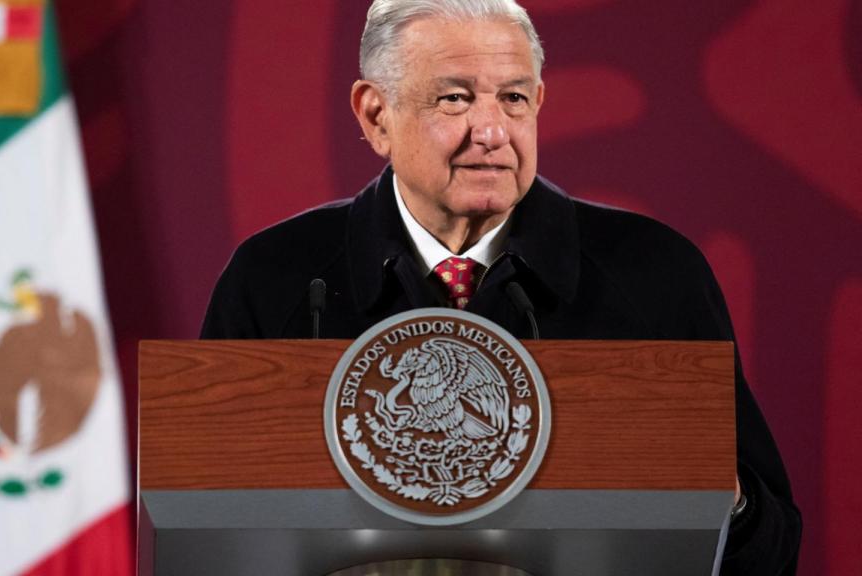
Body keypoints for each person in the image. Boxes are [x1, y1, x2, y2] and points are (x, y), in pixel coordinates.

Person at [202, 0, 801, 573]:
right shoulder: (276, 279)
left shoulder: (654, 275)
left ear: (537, 104)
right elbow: (206, 537)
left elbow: (770, 551)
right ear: (375, 115)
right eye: (455, 99)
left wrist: (722, 498)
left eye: (513, 98)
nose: (490, 130)